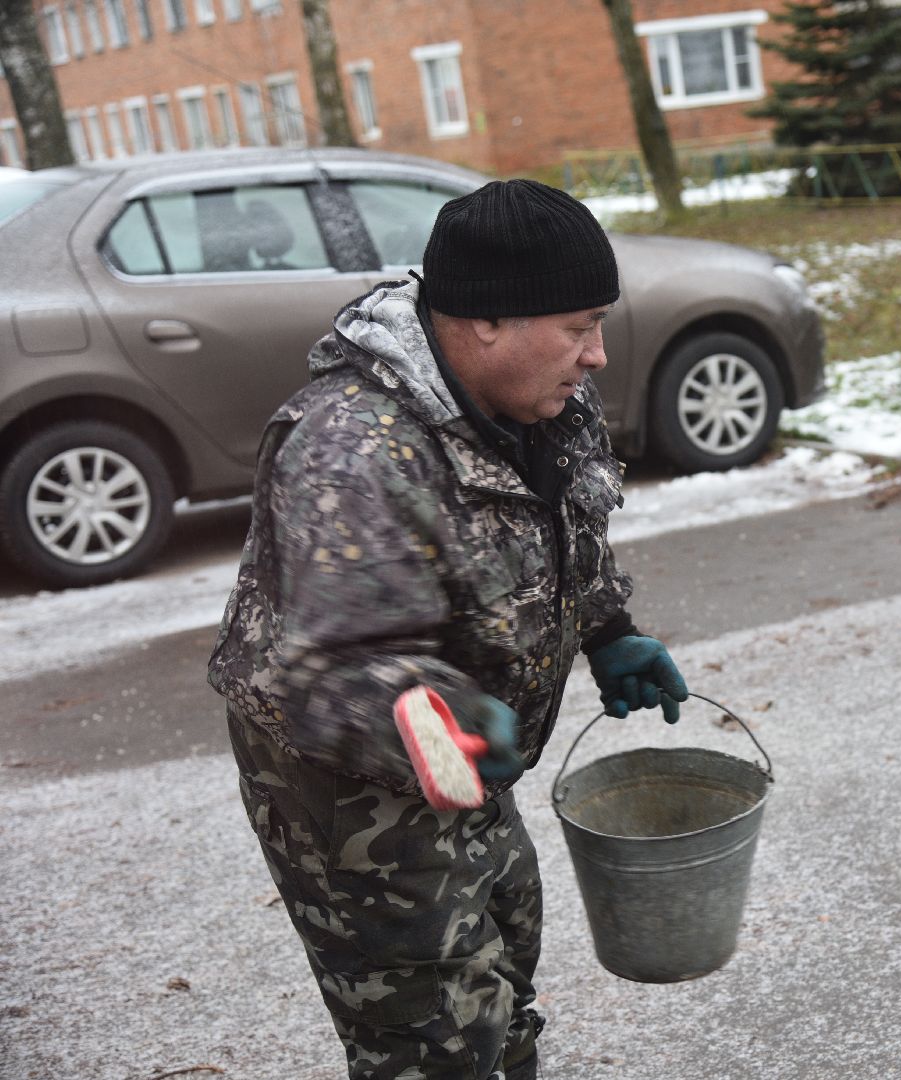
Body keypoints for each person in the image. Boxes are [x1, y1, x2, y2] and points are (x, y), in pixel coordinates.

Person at [209, 179, 688, 1080]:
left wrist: (608, 627)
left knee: (506, 954)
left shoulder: (541, 400)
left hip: (465, 742)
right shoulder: (350, 446)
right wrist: (443, 723)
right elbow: (330, 666)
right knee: (430, 1031)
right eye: (579, 326)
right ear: (486, 323)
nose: (599, 356)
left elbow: (568, 525)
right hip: (349, 784)